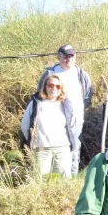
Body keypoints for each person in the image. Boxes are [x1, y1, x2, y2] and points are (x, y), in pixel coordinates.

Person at [37, 44, 93, 175]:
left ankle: (71, 177)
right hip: (54, 117)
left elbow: (88, 95)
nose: (68, 59)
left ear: (75, 56)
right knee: (53, 146)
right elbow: (40, 94)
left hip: (76, 118)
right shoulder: (50, 73)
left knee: (74, 147)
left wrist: (77, 110)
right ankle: (51, 177)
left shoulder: (81, 74)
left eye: (71, 56)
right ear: (59, 57)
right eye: (65, 56)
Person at [21, 73, 78, 179]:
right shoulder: (36, 103)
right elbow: (25, 126)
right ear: (45, 87)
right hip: (42, 149)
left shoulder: (66, 104)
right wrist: (34, 141)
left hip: (62, 148)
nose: (54, 88)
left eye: (58, 86)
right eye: (51, 85)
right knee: (39, 181)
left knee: (63, 181)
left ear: (61, 89)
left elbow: (72, 126)